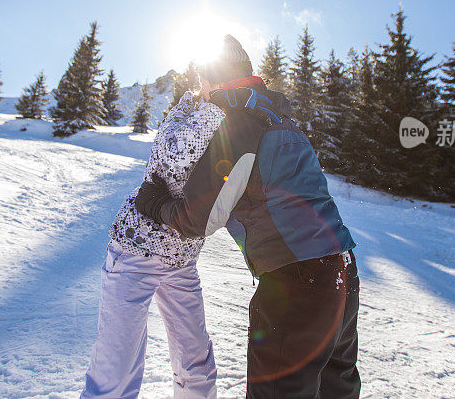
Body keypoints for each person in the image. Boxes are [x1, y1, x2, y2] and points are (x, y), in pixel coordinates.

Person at [136, 34, 361, 398]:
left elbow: (200, 219)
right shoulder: (280, 119)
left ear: (216, 81)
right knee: (335, 390)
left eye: (202, 84)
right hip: (342, 272)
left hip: (297, 282)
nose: (201, 94)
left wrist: (154, 202)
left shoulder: (239, 124)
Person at [80, 85, 225, 398]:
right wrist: (219, 109)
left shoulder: (235, 120)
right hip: (136, 248)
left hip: (182, 260)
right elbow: (175, 154)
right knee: (115, 373)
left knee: (197, 365)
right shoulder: (190, 108)